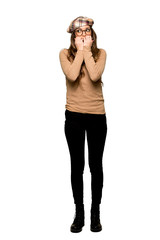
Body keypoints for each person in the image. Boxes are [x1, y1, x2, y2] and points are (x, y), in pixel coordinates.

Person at [59, 16, 107, 233]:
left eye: (87, 31)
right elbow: (71, 75)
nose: (83, 34)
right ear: (73, 36)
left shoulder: (101, 53)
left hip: (97, 116)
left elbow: (95, 76)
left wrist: (86, 51)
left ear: (92, 34)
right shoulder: (65, 54)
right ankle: (79, 214)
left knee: (95, 167)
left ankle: (95, 214)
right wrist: (80, 52)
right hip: (74, 117)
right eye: (79, 32)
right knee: (76, 167)